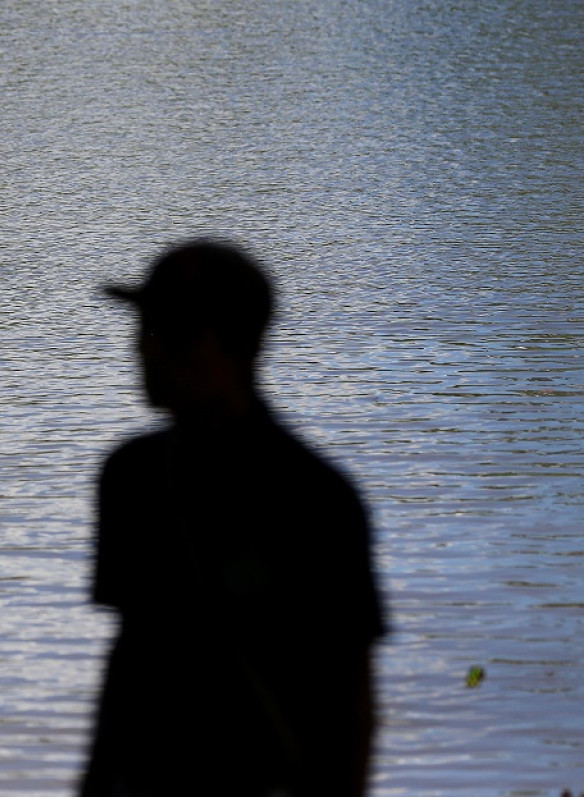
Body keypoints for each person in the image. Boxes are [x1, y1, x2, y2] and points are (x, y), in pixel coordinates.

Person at [79, 240, 387, 796]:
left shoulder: (316, 499)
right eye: (144, 329)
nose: (144, 351)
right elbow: (127, 663)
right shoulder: (129, 478)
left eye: (170, 333)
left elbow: (351, 699)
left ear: (234, 349)